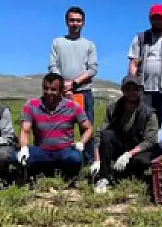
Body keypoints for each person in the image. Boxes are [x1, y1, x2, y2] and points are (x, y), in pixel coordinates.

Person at [14, 72, 93, 184]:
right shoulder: (31, 105)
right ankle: (37, 174)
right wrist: (23, 148)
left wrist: (82, 142)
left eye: (53, 89)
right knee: (16, 156)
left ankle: (67, 176)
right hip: (42, 151)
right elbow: (25, 130)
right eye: (46, 88)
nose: (49, 92)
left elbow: (88, 128)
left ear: (61, 91)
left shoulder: (72, 106)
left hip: (65, 151)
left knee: (74, 158)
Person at [92, 76, 158, 194]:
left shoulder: (149, 113)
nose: (132, 92)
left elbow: (150, 140)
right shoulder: (112, 109)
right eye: (128, 89)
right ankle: (104, 177)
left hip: (138, 150)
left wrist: (129, 154)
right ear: (123, 90)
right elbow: (99, 133)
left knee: (142, 162)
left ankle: (128, 176)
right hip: (119, 145)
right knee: (107, 135)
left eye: (135, 89)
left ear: (141, 90)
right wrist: (97, 160)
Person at [48, 6, 98, 164]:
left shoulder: (89, 45)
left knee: (87, 128)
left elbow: (92, 69)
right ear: (66, 22)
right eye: (72, 20)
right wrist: (62, 84)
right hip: (60, 94)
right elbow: (52, 66)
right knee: (59, 128)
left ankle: (90, 163)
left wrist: (74, 82)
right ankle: (58, 162)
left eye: (78, 20)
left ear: (83, 23)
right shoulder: (58, 42)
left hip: (83, 92)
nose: (75, 23)